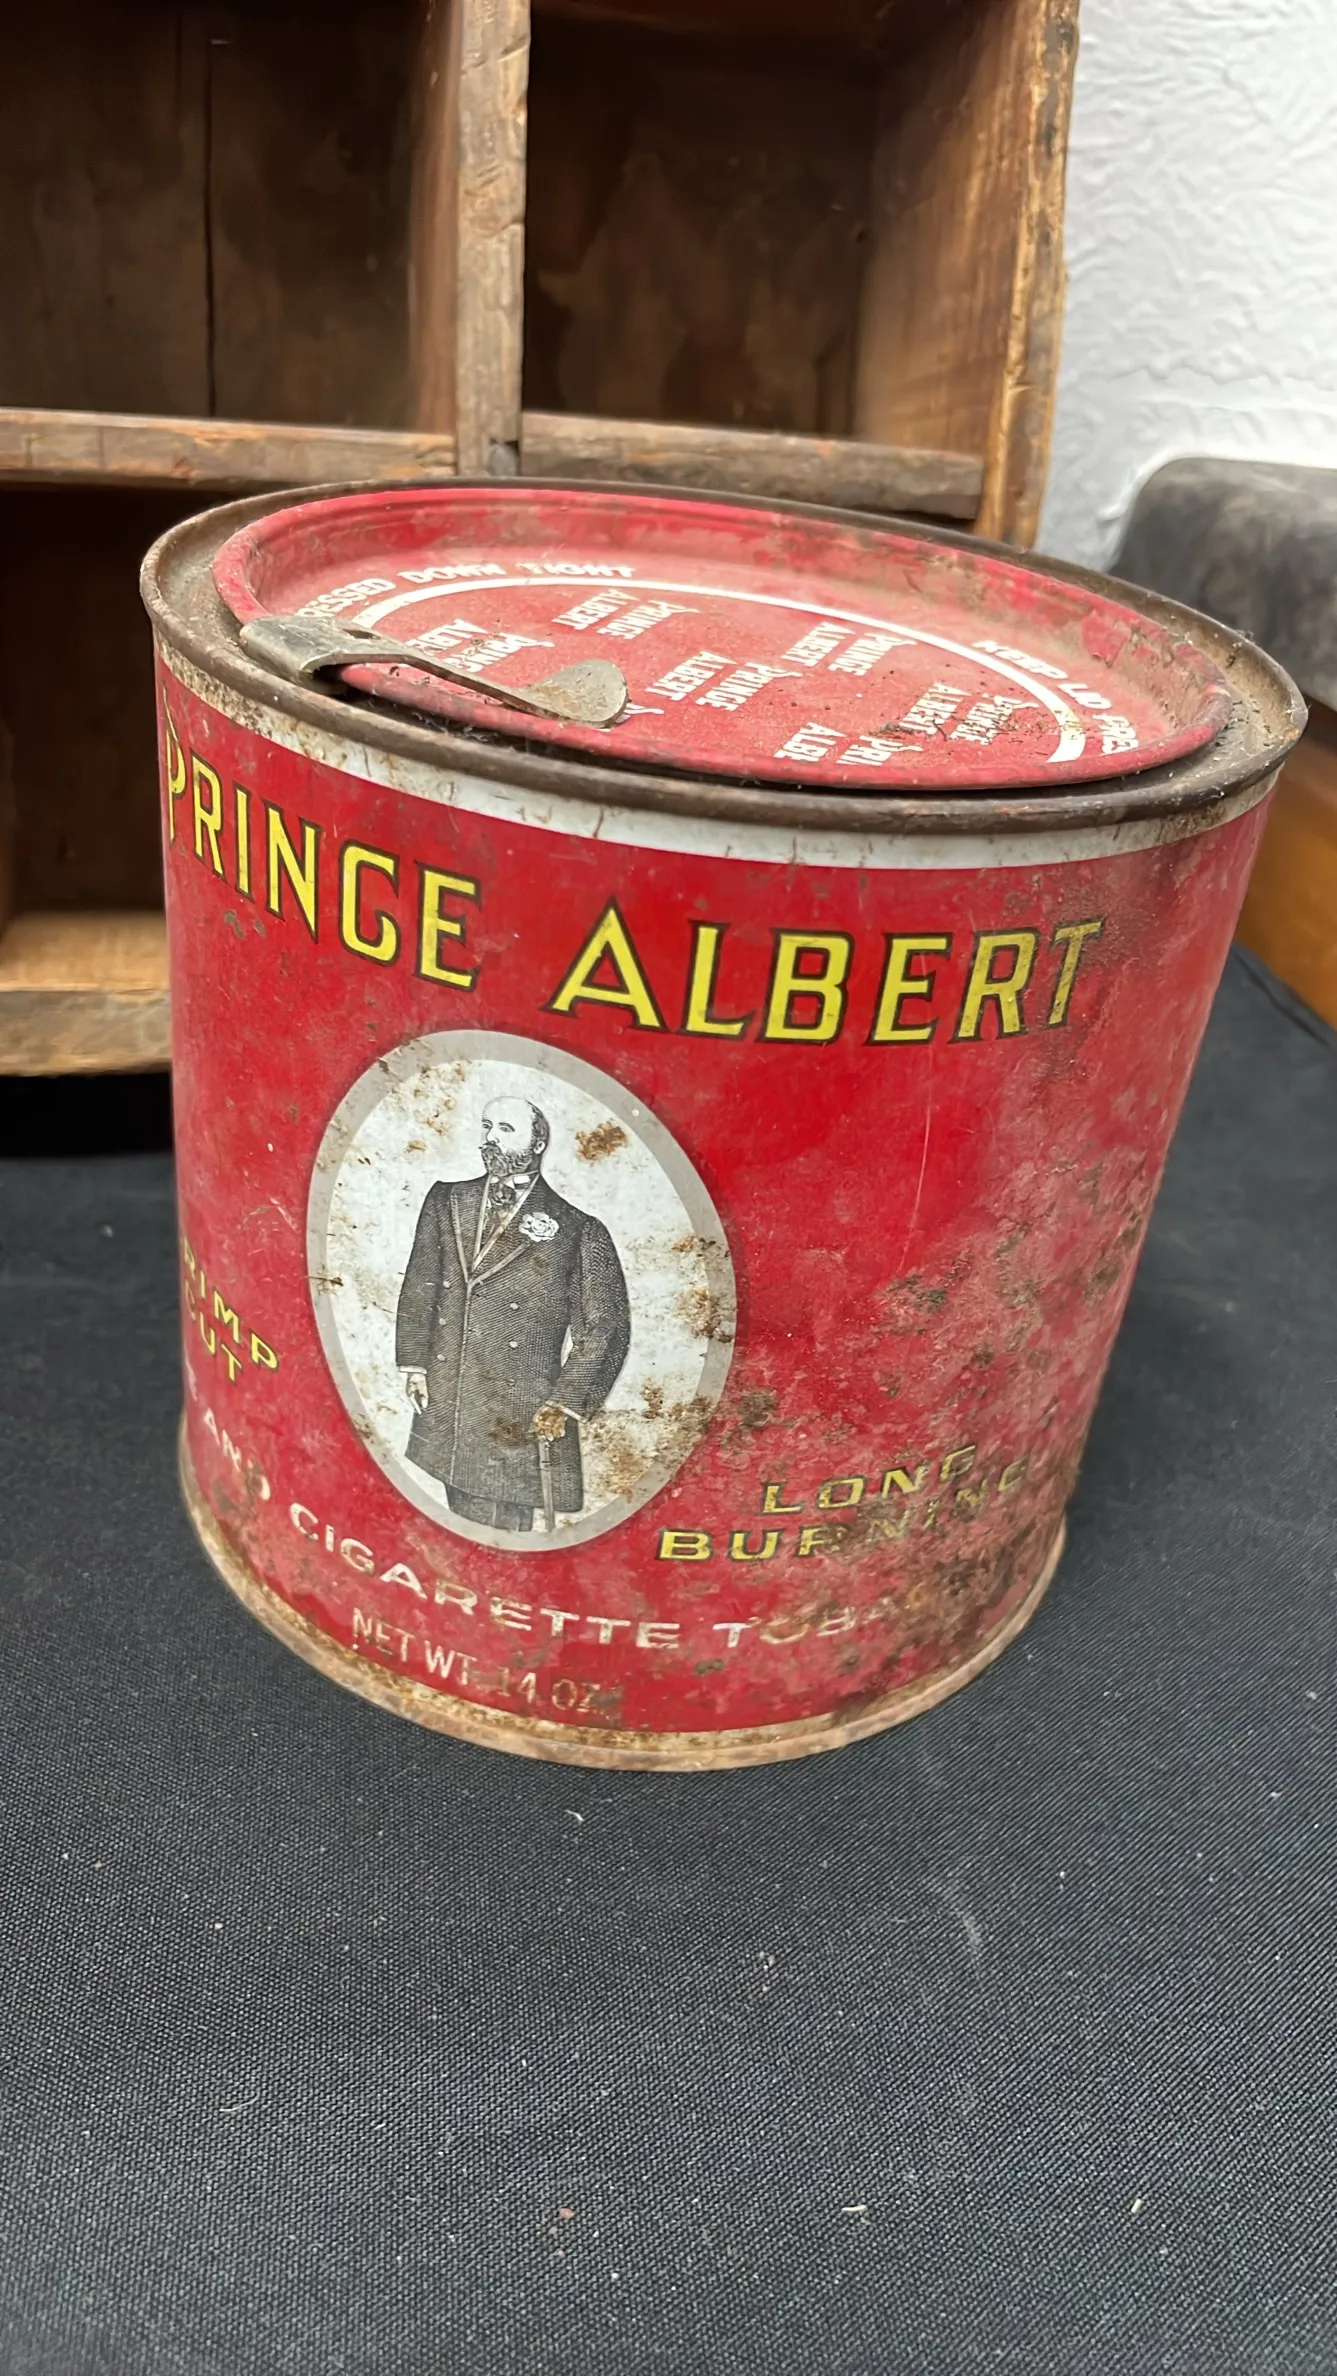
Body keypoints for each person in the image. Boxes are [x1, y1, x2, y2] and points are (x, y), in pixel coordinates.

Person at [395, 1096, 631, 1532]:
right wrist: (414, 1364)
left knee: (501, 1529)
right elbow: (421, 1282)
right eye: (487, 1126)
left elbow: (604, 1328)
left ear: (538, 1143)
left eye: (505, 1129)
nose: (491, 1138)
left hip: (520, 1410)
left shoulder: (577, 1228)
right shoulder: (447, 1199)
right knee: (459, 1516)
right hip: (450, 1393)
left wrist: (564, 1403)